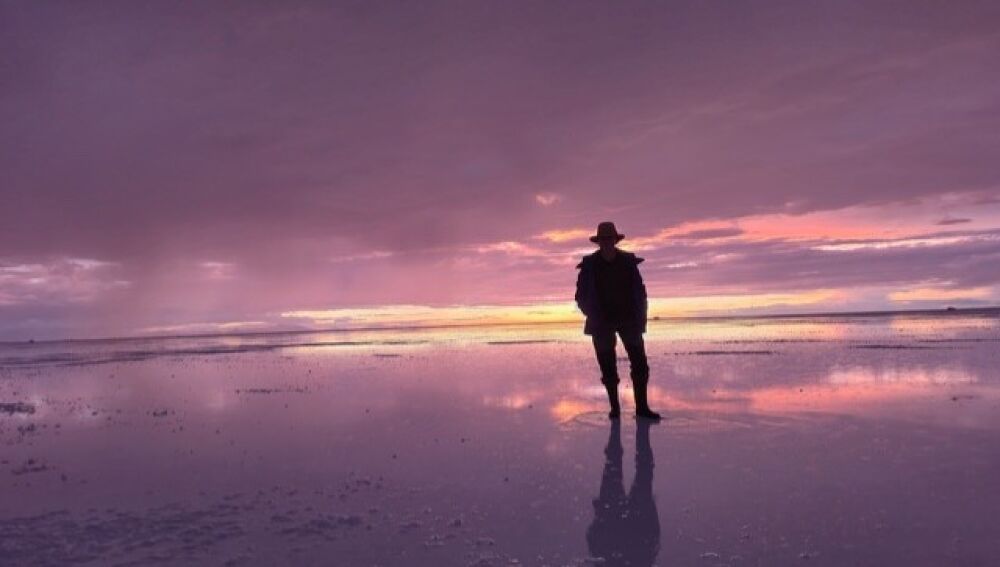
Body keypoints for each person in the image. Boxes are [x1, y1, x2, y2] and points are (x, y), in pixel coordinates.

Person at [575, 222, 661, 420]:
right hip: (601, 323)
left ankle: (642, 409)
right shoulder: (589, 265)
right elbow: (580, 295)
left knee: (640, 365)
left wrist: (641, 315)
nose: (607, 242)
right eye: (603, 239)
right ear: (598, 242)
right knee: (608, 367)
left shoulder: (627, 262)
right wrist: (591, 313)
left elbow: (640, 291)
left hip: (629, 321)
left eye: (609, 238)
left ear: (615, 240)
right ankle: (615, 409)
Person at [586, 418, 661, 566]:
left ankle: (618, 413)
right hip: (634, 536)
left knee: (620, 467)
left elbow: (595, 538)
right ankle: (628, 414)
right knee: (640, 471)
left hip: (618, 532)